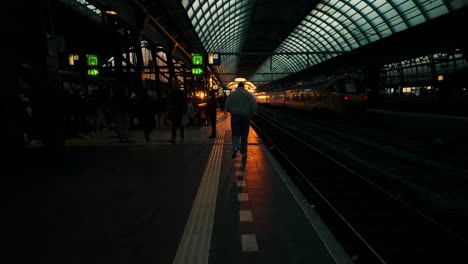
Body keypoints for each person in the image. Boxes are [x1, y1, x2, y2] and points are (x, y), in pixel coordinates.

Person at [224, 82, 257, 159]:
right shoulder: (249, 94)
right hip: (246, 117)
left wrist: (232, 111)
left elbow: (227, 105)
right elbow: (254, 106)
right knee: (244, 136)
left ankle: (235, 147)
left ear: (237, 86)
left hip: (235, 116)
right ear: (244, 87)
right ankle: (244, 152)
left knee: (235, 133)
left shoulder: (232, 94)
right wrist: (251, 112)